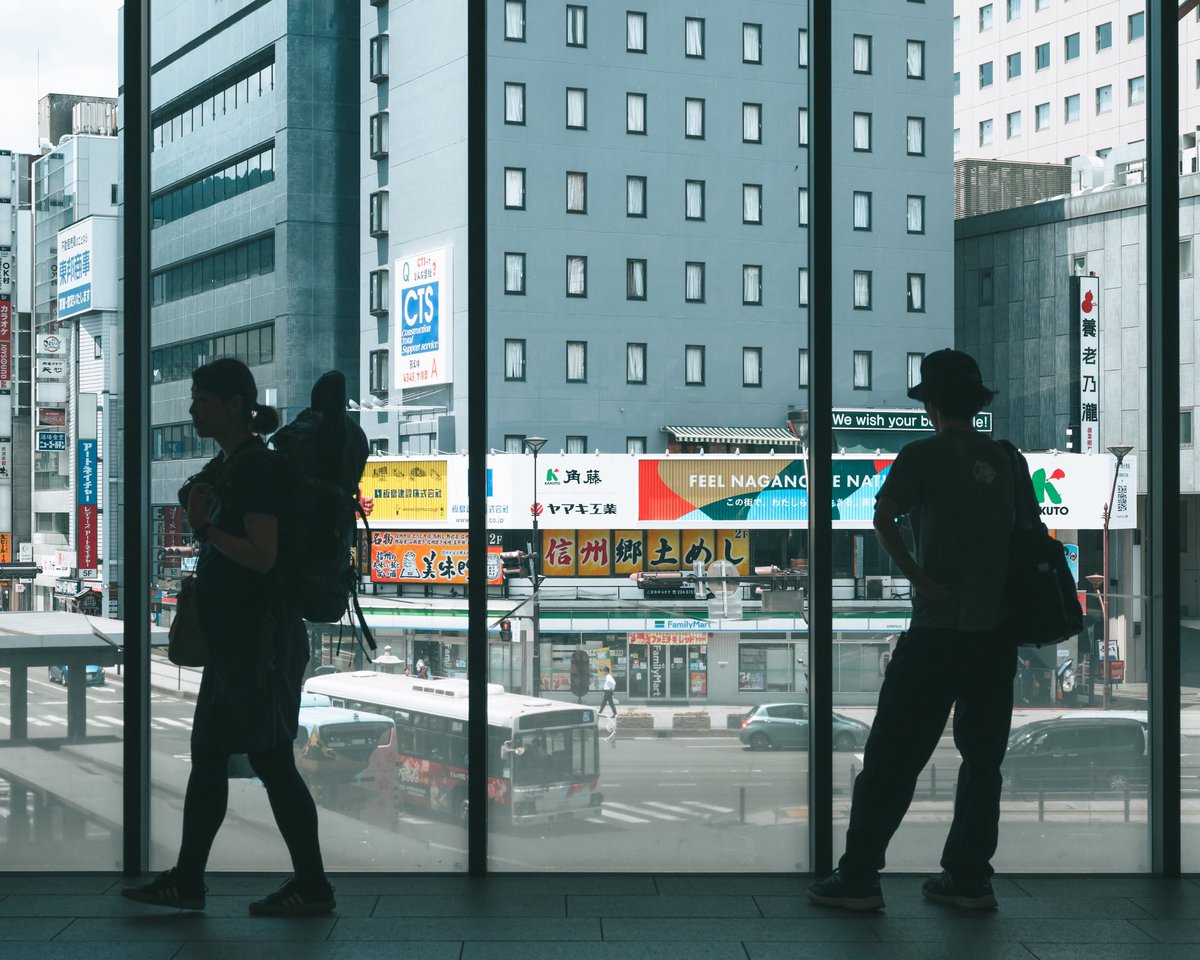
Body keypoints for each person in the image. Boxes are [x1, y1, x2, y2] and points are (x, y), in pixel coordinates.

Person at [122, 358, 335, 916]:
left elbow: (262, 558)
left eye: (202, 398)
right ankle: (193, 879)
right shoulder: (233, 463)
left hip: (258, 643)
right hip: (244, 641)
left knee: (267, 762)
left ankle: (308, 887)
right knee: (217, 755)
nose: (192, 407)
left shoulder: (257, 470)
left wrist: (204, 528)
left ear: (234, 403)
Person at [808, 349, 1016, 913]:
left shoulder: (920, 455)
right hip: (995, 635)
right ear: (977, 403)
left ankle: (859, 878)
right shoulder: (1007, 460)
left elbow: (883, 519)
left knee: (894, 756)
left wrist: (921, 578)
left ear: (929, 404)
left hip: (936, 632)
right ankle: (969, 879)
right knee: (982, 762)